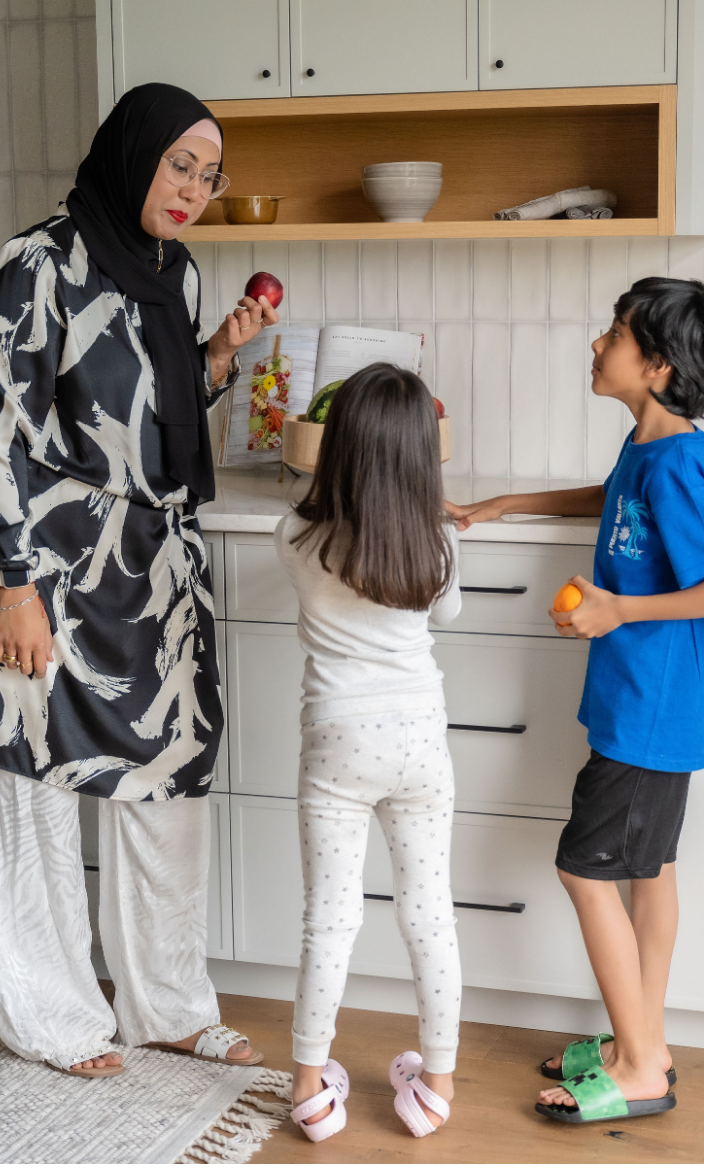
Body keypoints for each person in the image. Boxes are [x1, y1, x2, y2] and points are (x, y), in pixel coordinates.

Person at [0, 83, 280, 1077]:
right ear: (132, 156)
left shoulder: (177, 272)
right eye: (179, 166)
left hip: (158, 570)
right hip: (51, 573)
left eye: (210, 176)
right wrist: (12, 585)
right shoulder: (36, 266)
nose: (193, 190)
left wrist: (218, 356)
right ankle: (52, 1017)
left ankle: (167, 1007)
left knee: (171, 784)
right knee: (37, 789)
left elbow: (150, 412)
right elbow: (5, 432)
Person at [447, 278, 704, 1125]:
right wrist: (509, 502)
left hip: (650, 711)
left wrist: (619, 609)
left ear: (658, 366)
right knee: (650, 871)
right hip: (650, 707)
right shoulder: (651, 447)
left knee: (583, 868)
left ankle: (641, 1068)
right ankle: (640, 1040)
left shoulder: (679, 462)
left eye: (614, 334)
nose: (596, 344)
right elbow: (614, 496)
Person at [274, 363, 462, 1142]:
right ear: (422, 454)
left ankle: (310, 1090)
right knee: (429, 913)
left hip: (338, 746)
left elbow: (323, 523)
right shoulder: (438, 541)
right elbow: (447, 611)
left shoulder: (295, 535)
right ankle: (436, 1088)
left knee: (329, 918)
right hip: (419, 743)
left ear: (338, 443)